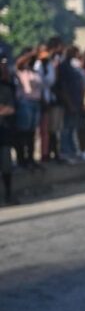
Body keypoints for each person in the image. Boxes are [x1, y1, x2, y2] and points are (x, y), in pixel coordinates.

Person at [13, 49, 43, 169]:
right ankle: (22, 159)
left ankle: (30, 158)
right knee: (23, 131)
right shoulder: (20, 70)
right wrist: (30, 54)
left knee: (31, 133)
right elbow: (19, 63)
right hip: (25, 102)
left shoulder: (34, 71)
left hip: (35, 102)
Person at [0, 54, 18, 205]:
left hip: (4, 132)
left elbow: (10, 109)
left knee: (6, 165)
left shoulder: (6, 88)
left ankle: (8, 194)